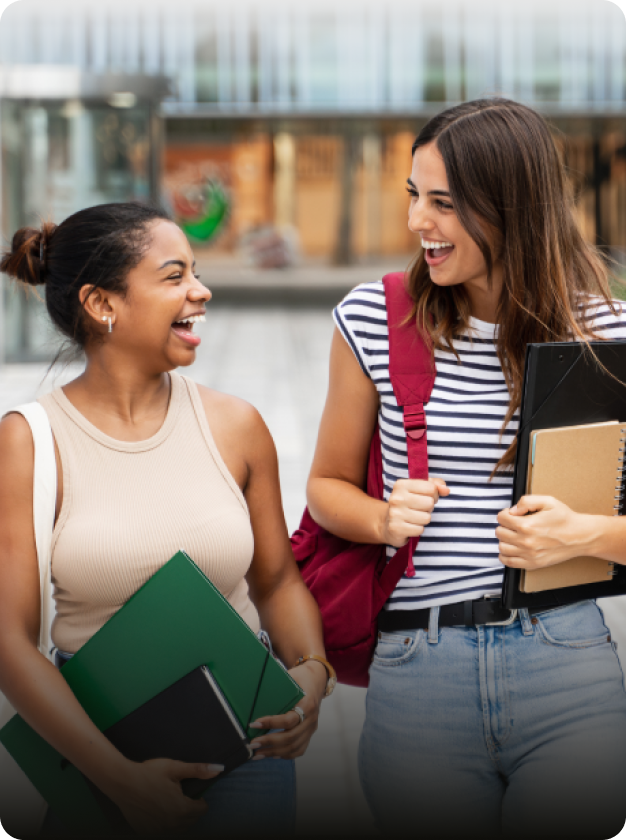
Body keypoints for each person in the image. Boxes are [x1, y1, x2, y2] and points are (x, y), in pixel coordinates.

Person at [306, 98, 626, 836]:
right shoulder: (374, 318)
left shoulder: (604, 332)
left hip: (565, 654)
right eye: (415, 197)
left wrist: (580, 535)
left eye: (445, 204)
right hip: (420, 663)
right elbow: (325, 489)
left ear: (511, 207)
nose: (420, 222)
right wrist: (382, 517)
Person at [0, 202, 332, 836]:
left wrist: (311, 676)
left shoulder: (237, 426)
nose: (201, 291)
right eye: (174, 275)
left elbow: (278, 583)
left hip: (247, 743)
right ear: (103, 304)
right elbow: (10, 643)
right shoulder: (29, 440)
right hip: (98, 748)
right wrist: (117, 779)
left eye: (196, 272)